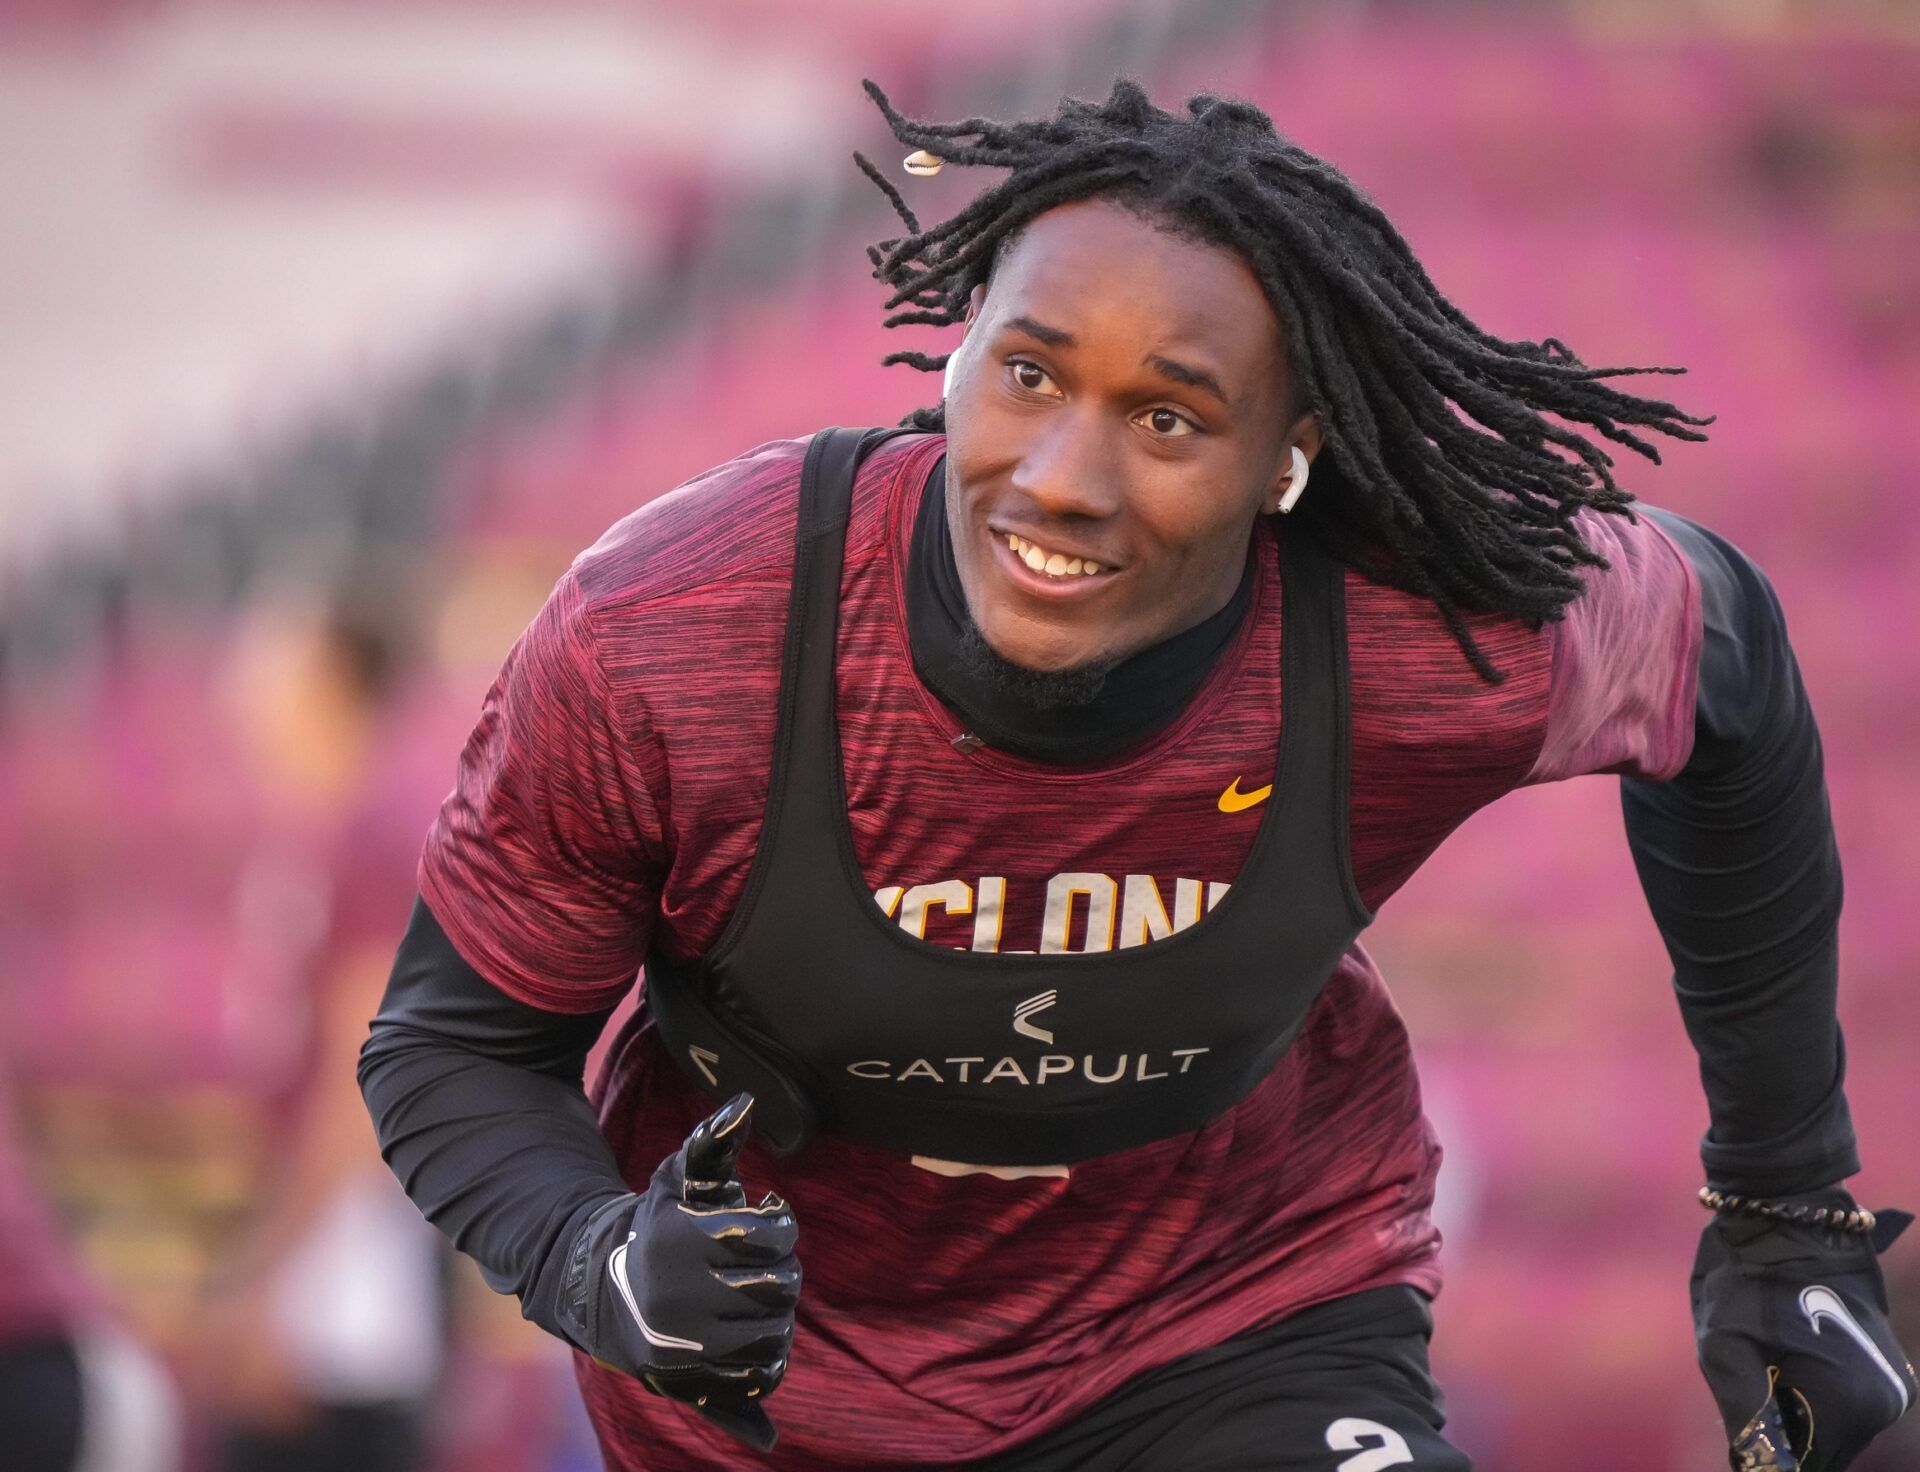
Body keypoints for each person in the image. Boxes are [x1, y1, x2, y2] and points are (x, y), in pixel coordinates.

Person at [359, 79, 1914, 1471]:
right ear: (957, 352)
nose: (1063, 480)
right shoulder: (682, 631)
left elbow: (1732, 671)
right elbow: (457, 1050)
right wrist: (598, 1259)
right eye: (1029, 376)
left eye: (1168, 417)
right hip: (783, 1415)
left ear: (1288, 459)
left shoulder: (1416, 624)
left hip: (1235, 1329)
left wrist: (1785, 1200)